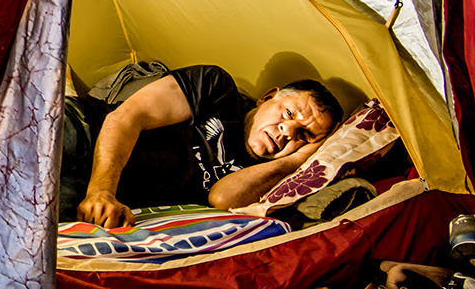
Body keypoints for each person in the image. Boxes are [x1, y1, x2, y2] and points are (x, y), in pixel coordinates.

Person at [64, 65, 343, 228]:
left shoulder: (266, 175)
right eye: (289, 114)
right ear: (268, 96)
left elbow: (221, 199)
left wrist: (298, 160)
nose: (287, 132)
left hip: (92, 192)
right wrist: (101, 190)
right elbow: (127, 117)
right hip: (87, 129)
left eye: (304, 135)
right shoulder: (217, 89)